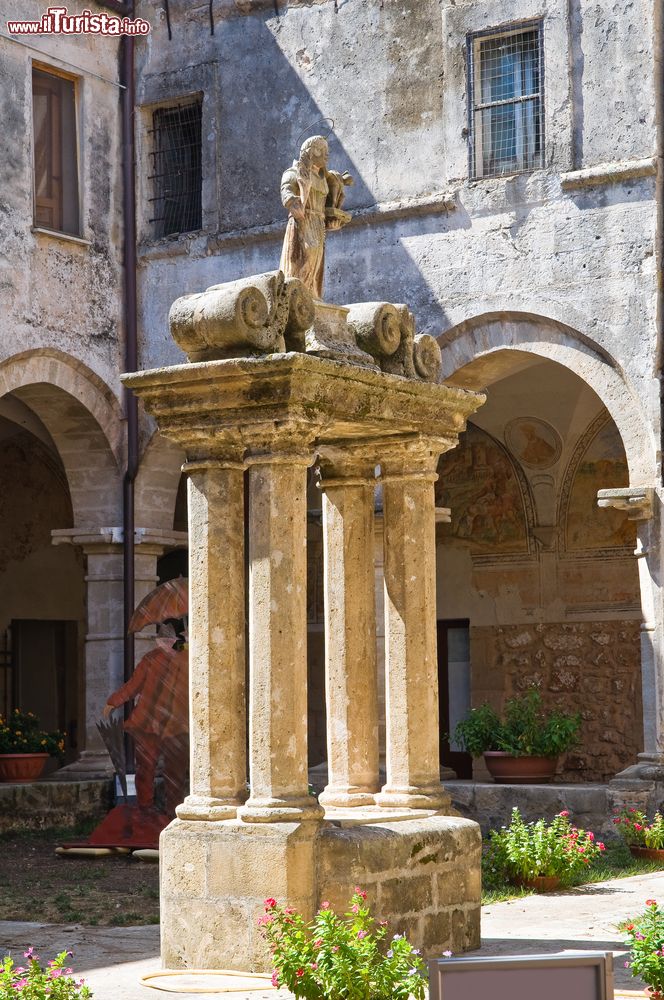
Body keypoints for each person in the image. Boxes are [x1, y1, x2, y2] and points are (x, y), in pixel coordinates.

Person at [102, 635, 188, 817]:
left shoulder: (190, 659)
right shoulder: (152, 659)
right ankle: (145, 809)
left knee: (175, 771)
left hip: (177, 724)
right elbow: (135, 684)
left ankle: (172, 812)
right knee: (147, 767)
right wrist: (113, 702)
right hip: (148, 722)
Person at [279, 135, 353, 299]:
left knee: (317, 263)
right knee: (306, 256)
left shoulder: (325, 179)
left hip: (318, 224)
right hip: (303, 222)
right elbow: (289, 198)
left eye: (327, 150)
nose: (326, 154)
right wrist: (303, 191)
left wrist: (332, 223)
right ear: (309, 153)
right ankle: (297, 296)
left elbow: (327, 208)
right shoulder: (293, 173)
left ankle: (311, 297)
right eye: (320, 149)